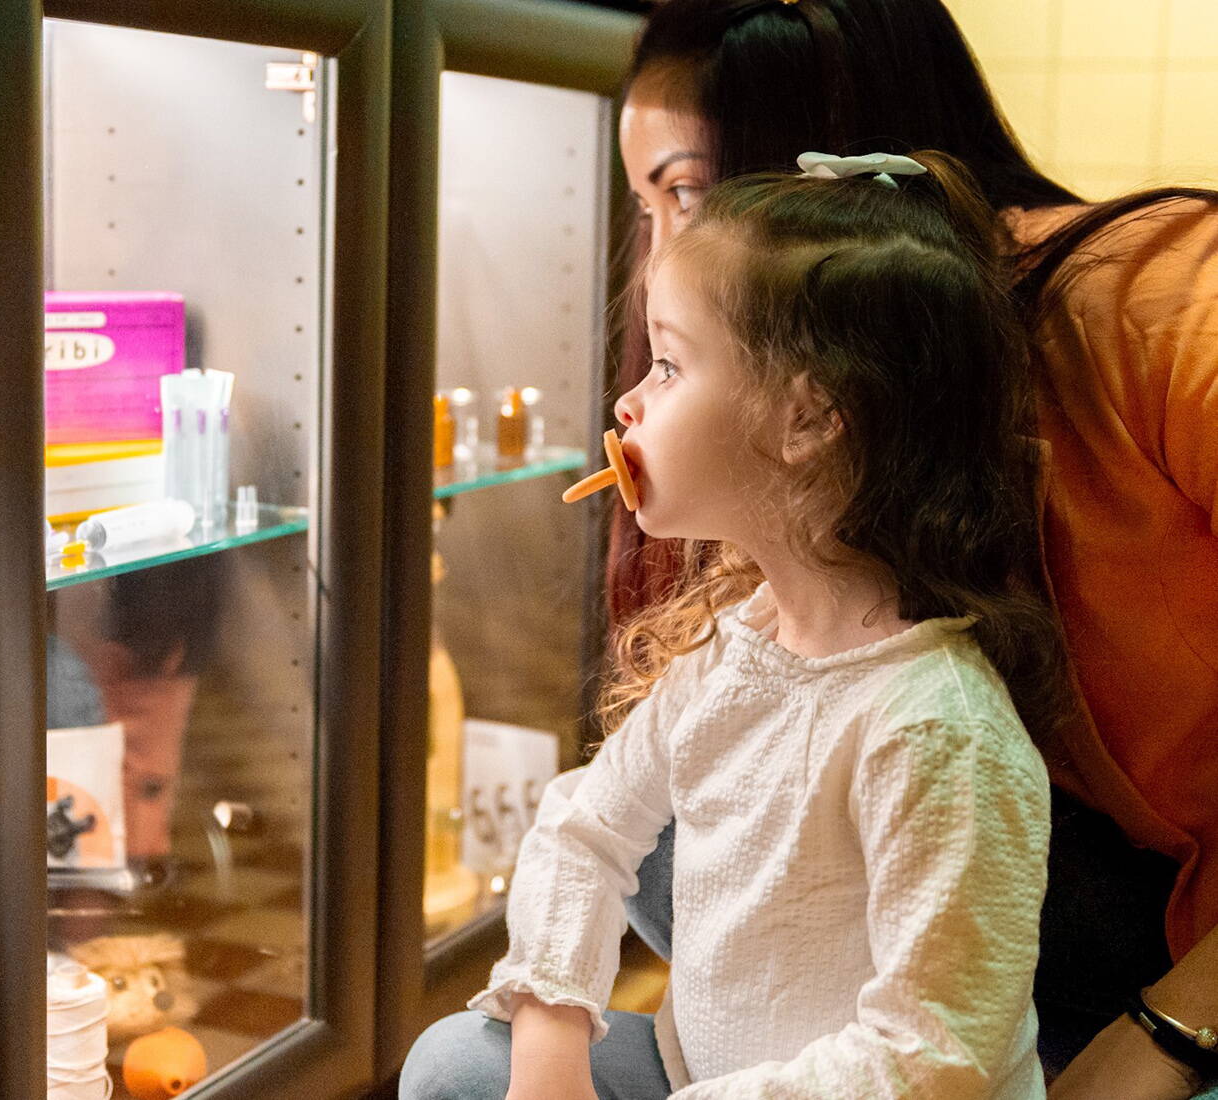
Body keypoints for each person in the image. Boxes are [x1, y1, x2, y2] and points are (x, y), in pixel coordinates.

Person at [603, 4, 1218, 1096]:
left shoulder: (1160, 304)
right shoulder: (852, 455)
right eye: (645, 205)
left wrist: (1167, 1031)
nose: (666, 251)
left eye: (688, 192)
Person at [403, 148, 1066, 1098]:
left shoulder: (936, 729)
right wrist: (549, 1049)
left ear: (810, 421)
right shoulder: (740, 645)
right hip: (701, 1073)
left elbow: (933, 1059)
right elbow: (584, 828)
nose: (628, 401)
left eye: (668, 365)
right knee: (455, 1067)